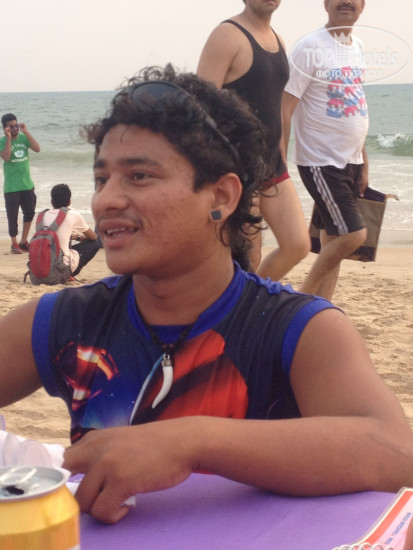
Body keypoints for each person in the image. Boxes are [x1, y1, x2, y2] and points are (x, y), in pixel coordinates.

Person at [0, 65, 412, 526]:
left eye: (138, 176)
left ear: (221, 196)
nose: (105, 200)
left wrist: (192, 443)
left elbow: (395, 453)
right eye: (101, 180)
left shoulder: (295, 329)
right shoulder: (69, 319)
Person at [197, 0, 310, 277]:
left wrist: (282, 157)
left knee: (297, 244)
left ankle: (248, 298)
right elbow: (198, 108)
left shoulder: (278, 40)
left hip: (272, 164)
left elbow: (274, 107)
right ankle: (236, 301)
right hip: (236, 167)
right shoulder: (227, 35)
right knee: (246, 255)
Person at [282, 0, 369, 300]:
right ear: (326, 4)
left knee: (333, 237)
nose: (347, 2)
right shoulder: (309, 47)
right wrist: (279, 159)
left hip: (350, 160)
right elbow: (285, 107)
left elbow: (355, 103)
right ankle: (302, 300)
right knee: (352, 235)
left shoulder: (357, 46)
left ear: (362, 6)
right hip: (321, 161)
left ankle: (322, 306)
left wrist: (363, 161)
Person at [0, 113, 40, 254]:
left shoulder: (23, 138)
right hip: (12, 187)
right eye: (11, 127)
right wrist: (9, 139)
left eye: (16, 125)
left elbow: (37, 148)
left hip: (27, 184)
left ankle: (23, 241)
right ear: (5, 129)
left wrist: (26, 132)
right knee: (12, 216)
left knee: (29, 213)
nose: (15, 128)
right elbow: (6, 157)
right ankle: (14, 243)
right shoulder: (2, 141)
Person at [43, 183, 100, 277]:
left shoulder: (42, 215)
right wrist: (80, 237)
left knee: (62, 247)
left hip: (40, 267)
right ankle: (69, 274)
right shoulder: (73, 215)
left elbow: (53, 236)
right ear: (69, 202)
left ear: (51, 201)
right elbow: (94, 237)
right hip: (61, 269)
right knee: (95, 243)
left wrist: (75, 237)